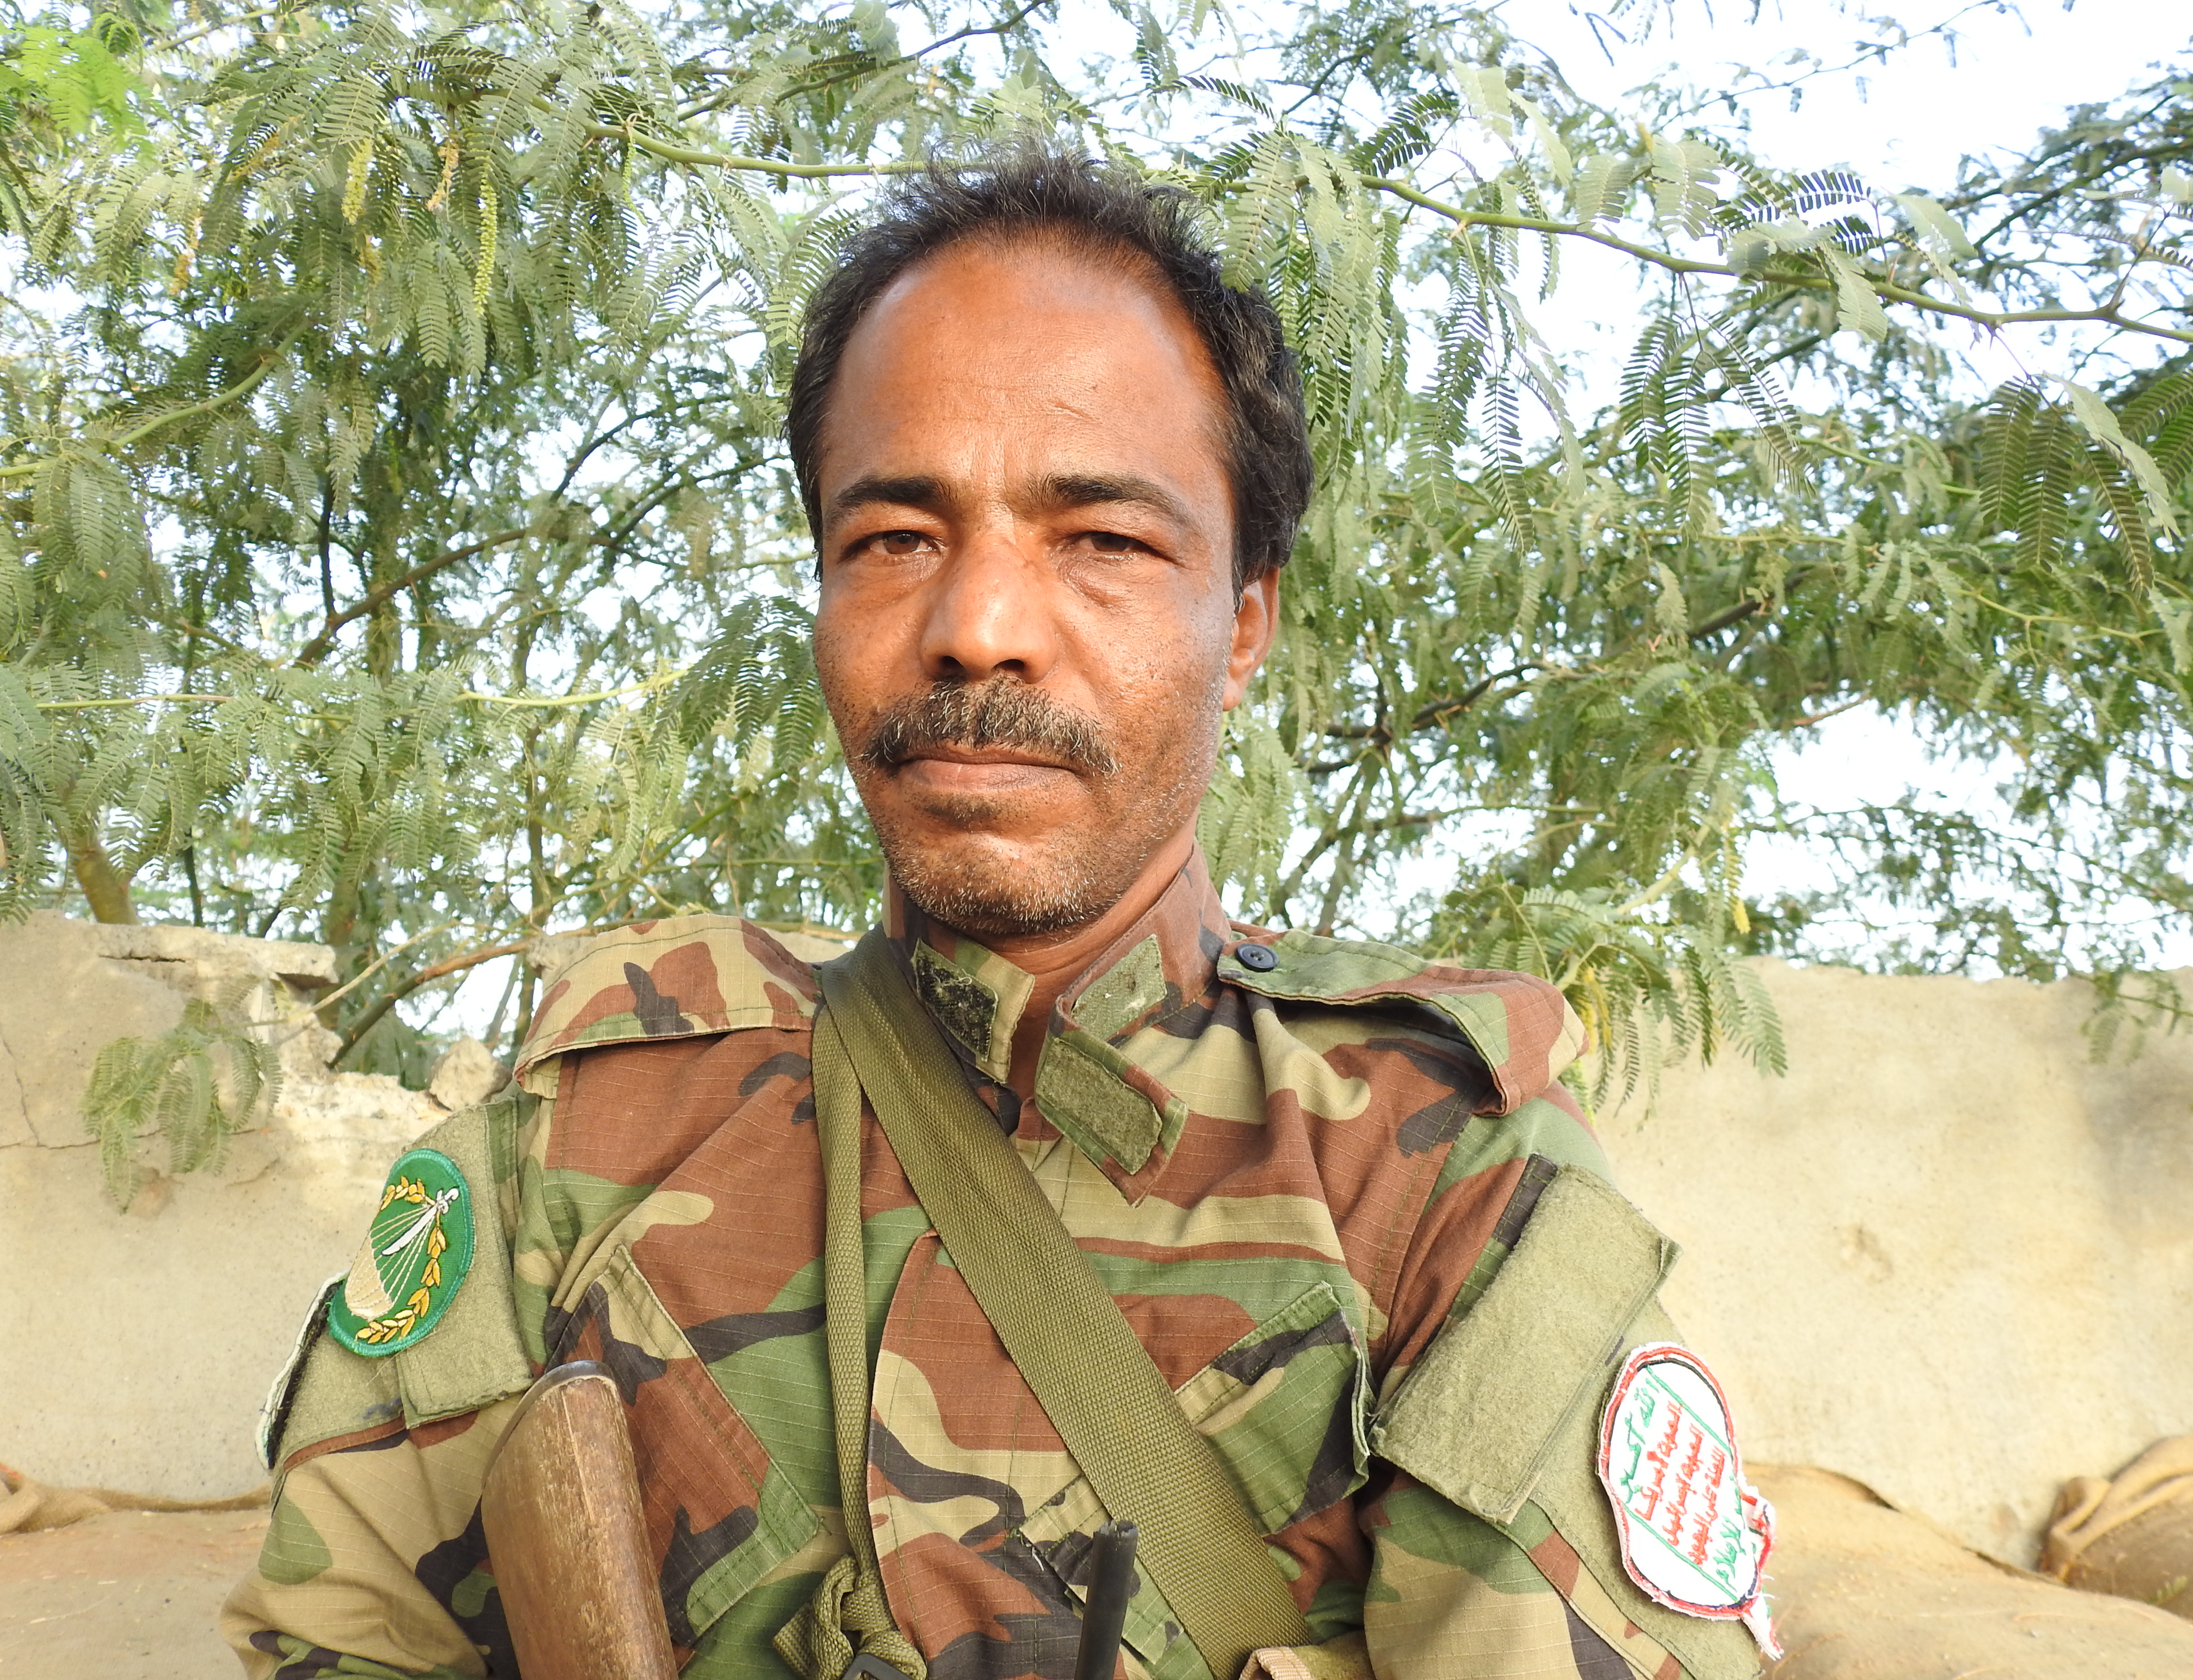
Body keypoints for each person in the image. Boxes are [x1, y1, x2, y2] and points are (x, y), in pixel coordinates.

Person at [225, 145, 1773, 1680]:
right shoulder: (576, 1149)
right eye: (893, 541)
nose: (976, 627)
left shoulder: (1439, 1174)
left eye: (1103, 542)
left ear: (1243, 625)